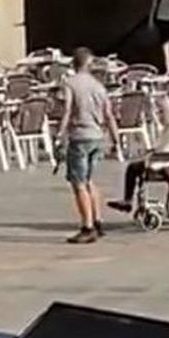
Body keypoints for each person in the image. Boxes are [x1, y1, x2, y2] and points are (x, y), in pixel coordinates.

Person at [57, 47, 119, 244]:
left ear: (73, 63)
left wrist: (60, 134)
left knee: (79, 184)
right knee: (90, 179)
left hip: (80, 136)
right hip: (97, 136)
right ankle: (98, 221)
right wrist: (116, 139)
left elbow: (67, 109)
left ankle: (87, 226)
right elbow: (109, 114)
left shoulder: (70, 83)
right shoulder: (98, 86)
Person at [107, 97, 169, 212]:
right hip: (166, 161)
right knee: (133, 166)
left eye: (162, 112)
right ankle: (128, 200)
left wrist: (152, 156)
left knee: (133, 167)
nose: (159, 116)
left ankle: (128, 201)